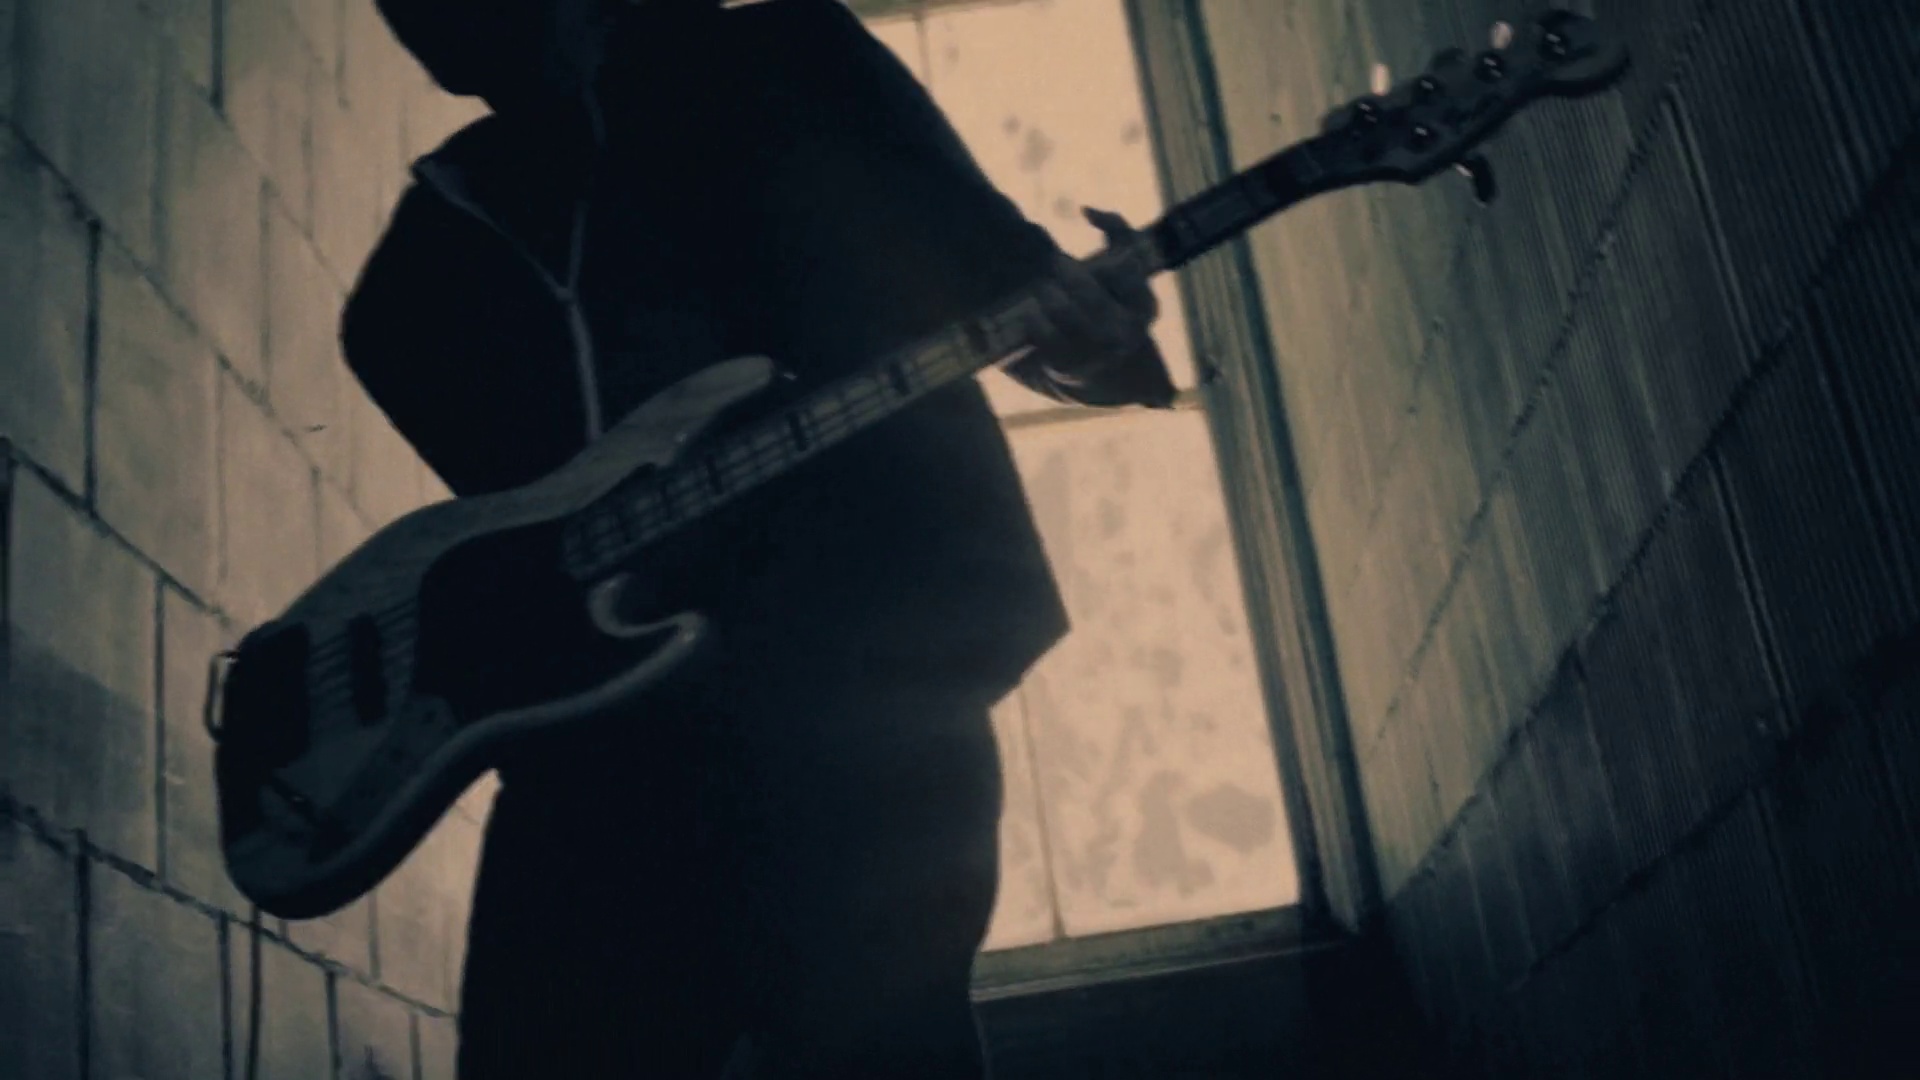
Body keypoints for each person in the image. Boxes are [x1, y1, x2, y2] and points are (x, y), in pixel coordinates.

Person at [342, 0, 1177, 1075]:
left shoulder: (792, 66)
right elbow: (503, 518)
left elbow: (1004, 289)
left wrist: (1090, 348)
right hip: (597, 757)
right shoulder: (419, 267)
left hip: (857, 697)